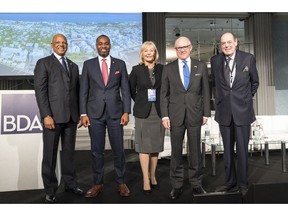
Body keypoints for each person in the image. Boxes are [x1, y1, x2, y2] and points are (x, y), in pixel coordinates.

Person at [34, 34, 84, 203]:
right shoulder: (43, 63)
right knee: (50, 155)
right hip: (53, 118)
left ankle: (70, 184)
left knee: (69, 155)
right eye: (58, 43)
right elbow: (40, 92)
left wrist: (79, 114)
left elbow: (77, 92)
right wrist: (46, 115)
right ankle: (50, 189)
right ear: (52, 45)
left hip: (71, 118)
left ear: (67, 45)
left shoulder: (74, 66)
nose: (61, 45)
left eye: (64, 43)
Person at [79, 34, 131, 198]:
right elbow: (83, 91)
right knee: (96, 151)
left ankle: (121, 182)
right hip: (94, 114)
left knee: (118, 150)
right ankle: (98, 183)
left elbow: (125, 90)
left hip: (116, 113)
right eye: (100, 44)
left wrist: (126, 111)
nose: (103, 46)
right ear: (96, 45)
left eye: (106, 43)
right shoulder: (88, 65)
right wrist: (83, 113)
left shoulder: (120, 64)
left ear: (110, 45)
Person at [160, 36, 211, 200]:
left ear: (190, 48)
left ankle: (196, 184)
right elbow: (164, 94)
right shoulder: (168, 69)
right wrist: (165, 115)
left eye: (185, 47)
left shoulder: (201, 66)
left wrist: (206, 113)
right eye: (179, 47)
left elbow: (205, 91)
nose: (182, 49)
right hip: (175, 116)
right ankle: (176, 186)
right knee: (176, 153)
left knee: (195, 151)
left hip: (195, 114)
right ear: (175, 50)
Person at [211, 32, 259, 196]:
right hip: (224, 112)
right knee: (227, 152)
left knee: (242, 151)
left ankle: (243, 183)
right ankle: (230, 183)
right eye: (223, 43)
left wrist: (245, 98)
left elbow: (255, 82)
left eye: (229, 42)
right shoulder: (215, 60)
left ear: (236, 42)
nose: (226, 45)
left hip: (243, 112)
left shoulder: (248, 58)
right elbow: (215, 83)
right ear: (220, 45)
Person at [129, 41, 165, 194]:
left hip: (158, 112)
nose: (149, 53)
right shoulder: (136, 70)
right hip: (143, 112)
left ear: (155, 53)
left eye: (152, 50)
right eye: (146, 51)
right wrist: (140, 101)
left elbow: (165, 90)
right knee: (144, 146)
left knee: (155, 146)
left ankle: (153, 175)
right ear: (142, 53)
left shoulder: (163, 69)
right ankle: (145, 178)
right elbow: (131, 90)